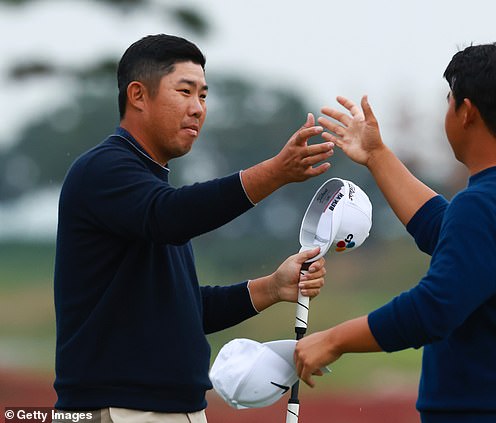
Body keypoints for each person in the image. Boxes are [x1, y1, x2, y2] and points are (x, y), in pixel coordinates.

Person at [53, 34, 333, 422]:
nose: (198, 108)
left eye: (203, 96)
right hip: (121, 410)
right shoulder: (103, 170)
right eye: (185, 91)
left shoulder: (148, 186)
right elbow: (170, 216)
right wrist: (275, 172)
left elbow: (181, 306)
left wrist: (271, 288)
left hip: (168, 409)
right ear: (138, 95)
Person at [294, 42, 496, 422]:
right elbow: (447, 231)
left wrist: (333, 340)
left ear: (466, 112)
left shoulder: (483, 205)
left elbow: (433, 309)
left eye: (449, 100)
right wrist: (377, 155)